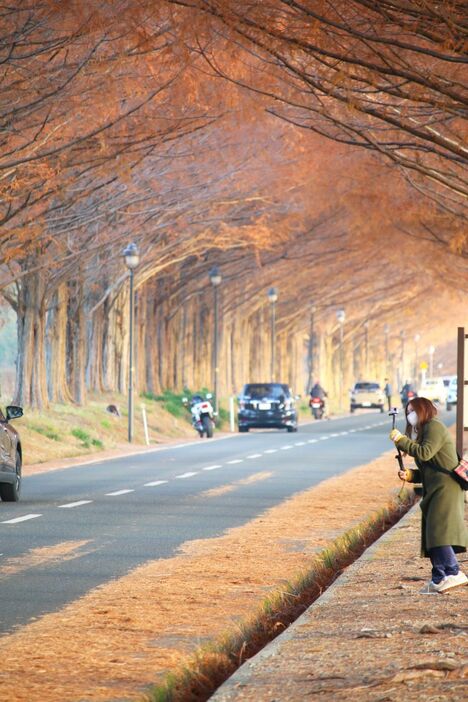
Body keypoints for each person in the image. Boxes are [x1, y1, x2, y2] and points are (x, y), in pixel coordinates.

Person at [389, 397, 468, 594]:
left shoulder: (435, 427)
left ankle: (453, 572)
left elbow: (424, 453)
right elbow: (427, 468)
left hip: (446, 487)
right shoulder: (425, 431)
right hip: (435, 488)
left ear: (423, 410)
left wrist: (401, 440)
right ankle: (439, 577)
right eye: (407, 413)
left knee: (438, 532)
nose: (409, 416)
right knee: (431, 533)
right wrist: (410, 475)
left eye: (412, 411)